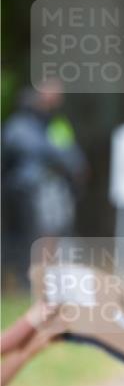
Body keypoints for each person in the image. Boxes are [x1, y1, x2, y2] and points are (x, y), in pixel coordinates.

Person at [1, 80, 87, 286]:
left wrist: (76, 168)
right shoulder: (18, 125)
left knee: (51, 232)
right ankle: (30, 281)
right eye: (49, 93)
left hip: (53, 190)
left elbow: (72, 155)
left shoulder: (57, 124)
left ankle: (41, 280)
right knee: (30, 236)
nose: (54, 97)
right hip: (24, 191)